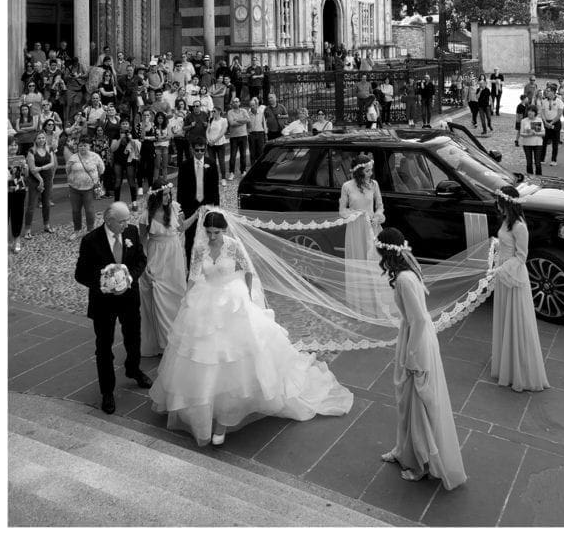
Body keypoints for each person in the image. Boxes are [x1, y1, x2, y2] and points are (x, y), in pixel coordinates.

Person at [149, 209, 353, 446]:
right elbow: (194, 276)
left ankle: (225, 418)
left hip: (233, 301)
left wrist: (246, 294)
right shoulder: (199, 249)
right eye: (209, 232)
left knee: (238, 357)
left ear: (224, 230)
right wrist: (187, 300)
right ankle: (205, 407)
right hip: (206, 301)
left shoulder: (233, 246)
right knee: (202, 357)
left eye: (216, 232)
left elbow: (247, 270)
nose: (212, 236)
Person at [375, 228, 466, 487]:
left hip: (416, 341)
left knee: (416, 404)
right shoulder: (408, 272)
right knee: (406, 402)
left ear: (385, 251)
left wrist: (413, 357)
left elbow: (417, 320)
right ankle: (404, 449)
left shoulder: (403, 279)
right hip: (413, 335)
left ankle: (421, 464)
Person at [74, 202, 151, 415]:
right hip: (103, 302)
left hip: (128, 298)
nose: (127, 224)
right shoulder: (91, 240)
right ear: (109, 221)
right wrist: (104, 283)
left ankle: (133, 369)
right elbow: (80, 274)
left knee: (133, 337)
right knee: (104, 346)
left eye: (128, 219)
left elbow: (141, 260)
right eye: (122, 221)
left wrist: (129, 278)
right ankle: (107, 391)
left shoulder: (132, 232)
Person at [491, 187, 549, 392]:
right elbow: (507, 246)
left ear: (506, 203)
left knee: (516, 320)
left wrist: (501, 269)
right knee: (505, 318)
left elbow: (522, 256)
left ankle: (519, 367)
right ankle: (507, 361)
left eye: (499, 201)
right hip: (503, 275)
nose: (497, 205)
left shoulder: (519, 226)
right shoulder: (507, 221)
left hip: (513, 276)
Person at [339, 154, 393, 320]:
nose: (370, 173)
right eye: (367, 170)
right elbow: (342, 211)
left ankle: (379, 302)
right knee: (359, 262)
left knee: (376, 263)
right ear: (359, 171)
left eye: (371, 170)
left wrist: (378, 216)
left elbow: (380, 206)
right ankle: (361, 303)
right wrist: (357, 214)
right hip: (356, 229)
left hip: (373, 227)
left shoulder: (374, 184)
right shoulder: (347, 186)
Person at [138, 181, 188, 356]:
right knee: (158, 297)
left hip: (174, 257)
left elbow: (182, 228)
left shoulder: (175, 208)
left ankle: (178, 338)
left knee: (177, 294)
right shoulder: (145, 216)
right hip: (156, 256)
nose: (168, 197)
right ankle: (164, 343)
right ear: (156, 196)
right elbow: (142, 242)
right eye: (165, 194)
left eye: (169, 194)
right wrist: (145, 266)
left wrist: (197, 215)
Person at [177, 138, 220, 272]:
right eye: (197, 150)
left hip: (206, 206)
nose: (200, 152)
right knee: (190, 239)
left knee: (208, 237)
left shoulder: (211, 164)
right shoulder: (185, 165)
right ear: (192, 149)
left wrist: (216, 208)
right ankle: (191, 269)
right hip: (190, 207)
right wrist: (180, 209)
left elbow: (215, 188)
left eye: (203, 150)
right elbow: (181, 189)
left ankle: (207, 267)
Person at [66, 135, 105, 239]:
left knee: (89, 210)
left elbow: (101, 169)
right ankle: (77, 230)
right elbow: (68, 170)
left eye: (85, 145)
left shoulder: (95, 156)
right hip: (74, 188)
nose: (82, 148)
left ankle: (90, 230)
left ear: (89, 146)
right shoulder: (73, 158)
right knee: (75, 210)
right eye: (80, 146)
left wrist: (95, 178)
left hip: (89, 188)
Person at [24, 132, 55, 238]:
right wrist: (40, 180)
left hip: (47, 178)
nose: (41, 140)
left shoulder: (49, 149)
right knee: (31, 205)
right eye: (39, 138)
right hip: (34, 179)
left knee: (46, 203)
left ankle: (46, 225)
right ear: (35, 140)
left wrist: (41, 168)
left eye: (43, 138)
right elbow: (32, 169)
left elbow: (52, 163)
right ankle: (27, 229)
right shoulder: (31, 151)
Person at [109, 118, 141, 206]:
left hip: (130, 160)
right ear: (120, 125)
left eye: (126, 123)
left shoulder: (133, 133)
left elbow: (138, 148)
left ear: (129, 125)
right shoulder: (116, 134)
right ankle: (116, 202)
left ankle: (134, 202)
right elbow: (112, 148)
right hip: (118, 160)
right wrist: (120, 138)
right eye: (123, 123)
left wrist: (131, 139)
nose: (125, 125)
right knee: (118, 180)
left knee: (131, 180)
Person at [8, 139, 29, 254]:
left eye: (15, 145)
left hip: (19, 190)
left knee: (17, 215)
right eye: (10, 145)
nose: (13, 147)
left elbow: (26, 175)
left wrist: (25, 167)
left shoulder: (21, 158)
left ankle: (16, 240)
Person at [226, 97, 250, 178]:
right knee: (233, 155)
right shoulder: (229, 112)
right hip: (234, 137)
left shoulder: (244, 111)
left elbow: (248, 120)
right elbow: (232, 123)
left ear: (239, 103)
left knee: (243, 155)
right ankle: (231, 172)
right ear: (232, 104)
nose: (235, 103)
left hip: (243, 135)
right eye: (234, 102)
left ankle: (243, 171)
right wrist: (242, 121)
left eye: (237, 101)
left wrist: (237, 120)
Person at [540, 85, 563, 165]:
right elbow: (542, 112)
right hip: (546, 122)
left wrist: (552, 122)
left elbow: (559, 114)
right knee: (544, 141)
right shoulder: (544, 101)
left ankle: (553, 160)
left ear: (553, 92)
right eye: (546, 90)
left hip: (555, 123)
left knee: (555, 142)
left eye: (548, 91)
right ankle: (542, 159)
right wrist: (545, 122)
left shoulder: (559, 101)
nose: (547, 92)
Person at [206, 106, 228, 187]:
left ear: (219, 112)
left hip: (220, 144)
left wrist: (214, 141)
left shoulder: (223, 120)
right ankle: (214, 178)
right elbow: (207, 130)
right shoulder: (211, 119)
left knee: (221, 161)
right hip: (210, 144)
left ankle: (223, 179)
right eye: (212, 111)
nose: (213, 113)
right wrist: (208, 140)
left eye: (214, 111)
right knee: (212, 162)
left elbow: (222, 132)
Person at [519, 105, 544, 176]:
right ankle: (530, 178)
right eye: (529, 112)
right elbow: (521, 133)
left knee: (537, 162)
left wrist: (536, 133)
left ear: (535, 113)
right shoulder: (524, 121)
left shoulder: (539, 120)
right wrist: (529, 134)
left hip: (537, 143)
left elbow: (543, 133)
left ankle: (539, 177)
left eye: (532, 112)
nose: (530, 113)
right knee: (529, 163)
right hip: (527, 144)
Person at [247, 97, 267, 166]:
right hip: (251, 134)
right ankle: (253, 165)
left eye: (253, 105)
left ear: (256, 105)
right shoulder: (248, 114)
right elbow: (246, 124)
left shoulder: (261, 113)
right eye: (251, 105)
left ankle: (260, 165)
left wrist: (266, 133)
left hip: (260, 133)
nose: (252, 107)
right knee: (252, 151)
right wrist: (248, 133)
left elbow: (264, 123)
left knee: (261, 151)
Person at [153, 112, 170, 181]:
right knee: (157, 166)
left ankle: (165, 182)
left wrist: (161, 138)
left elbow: (169, 137)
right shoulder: (153, 126)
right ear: (156, 118)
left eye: (162, 118)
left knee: (165, 166)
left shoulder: (167, 126)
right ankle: (155, 182)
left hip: (165, 147)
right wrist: (163, 138)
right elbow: (154, 138)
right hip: (157, 147)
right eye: (159, 118)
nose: (160, 119)